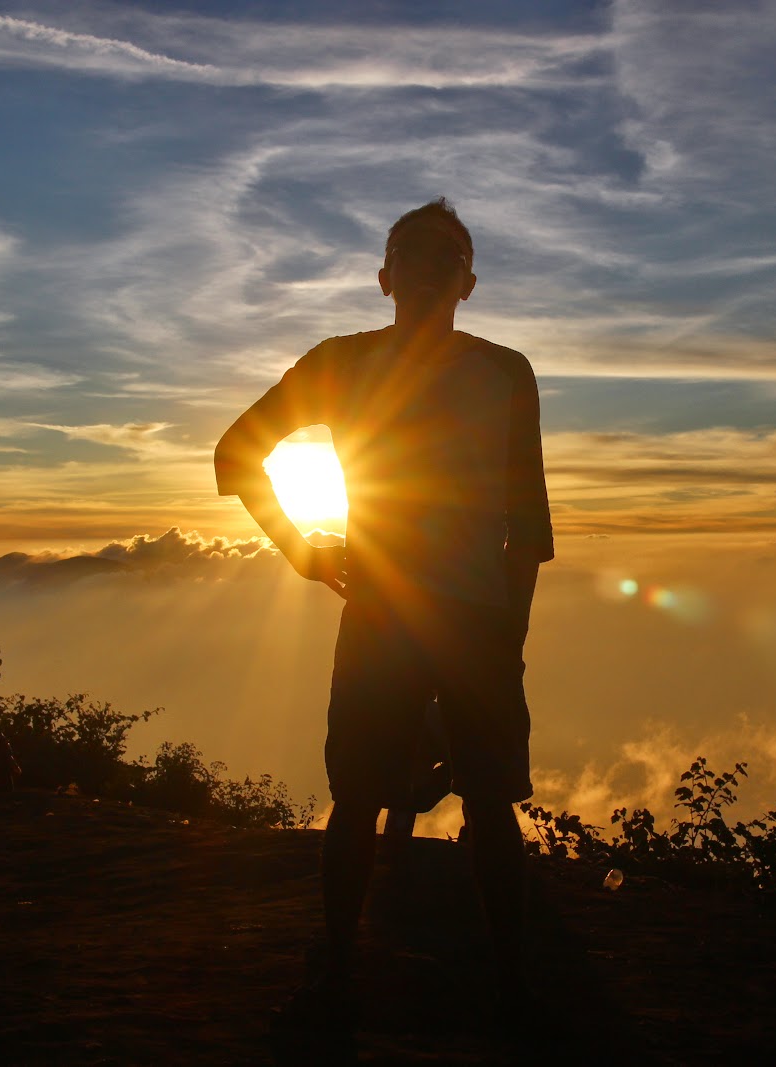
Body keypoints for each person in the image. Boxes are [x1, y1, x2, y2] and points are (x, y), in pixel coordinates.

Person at [214, 198, 553, 1026]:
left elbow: (530, 526)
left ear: (467, 281)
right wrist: (299, 550)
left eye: (445, 252)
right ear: (386, 276)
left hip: (433, 620)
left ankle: (387, 978)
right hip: (421, 618)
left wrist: (509, 631)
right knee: (398, 798)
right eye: (416, 250)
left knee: (452, 802)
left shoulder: (497, 372)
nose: (431, 263)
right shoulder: (432, 366)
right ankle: (487, 985)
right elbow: (236, 453)